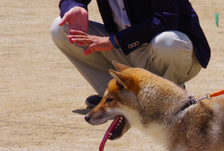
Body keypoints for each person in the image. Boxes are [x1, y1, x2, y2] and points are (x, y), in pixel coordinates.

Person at [51, 0, 211, 108]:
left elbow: (166, 19)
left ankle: (172, 96)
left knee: (169, 41)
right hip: (125, 48)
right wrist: (75, 6)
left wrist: (113, 41)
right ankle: (117, 97)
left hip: (171, 50)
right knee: (61, 29)